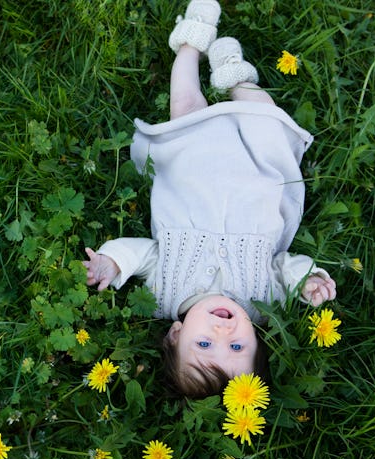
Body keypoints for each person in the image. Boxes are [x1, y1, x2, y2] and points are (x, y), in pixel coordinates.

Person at [82, 0, 337, 398]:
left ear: (175, 334)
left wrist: (112, 262)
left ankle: (191, 42)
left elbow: (144, 254)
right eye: (238, 347)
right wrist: (308, 281)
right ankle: (234, 75)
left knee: (184, 105)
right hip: (256, 170)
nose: (223, 331)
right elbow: (284, 266)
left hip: (193, 165)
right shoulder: (264, 304)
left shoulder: (163, 295)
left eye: (203, 345)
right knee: (262, 112)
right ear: (257, 340)